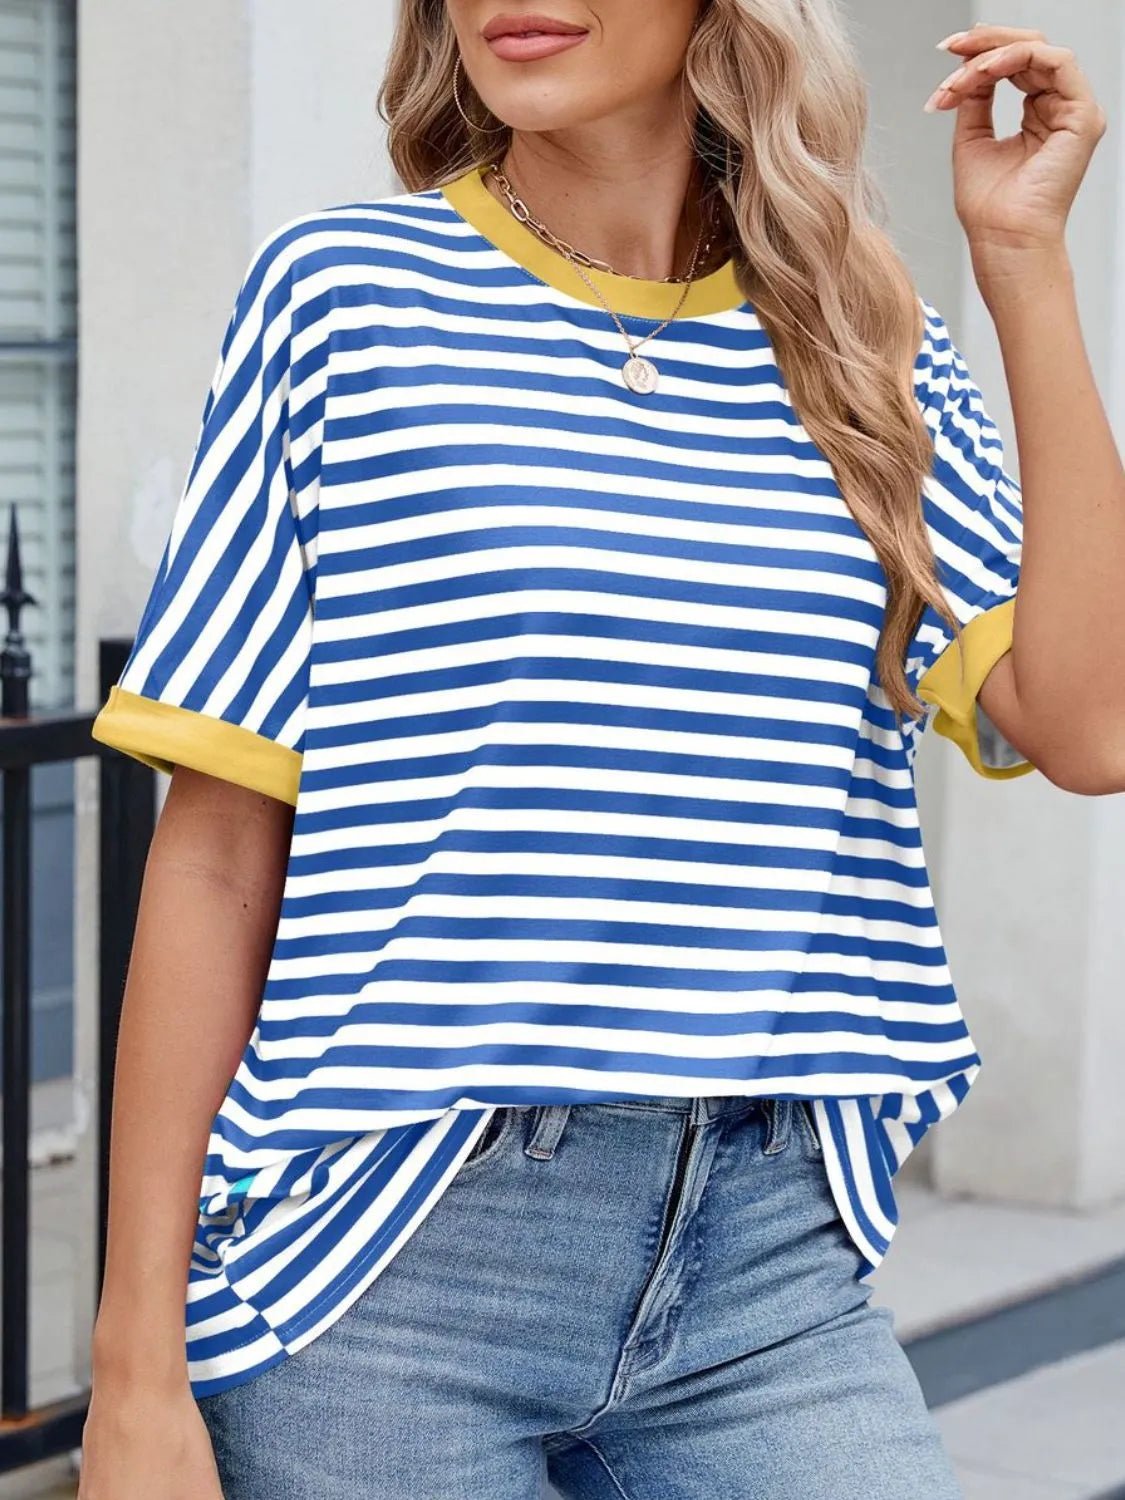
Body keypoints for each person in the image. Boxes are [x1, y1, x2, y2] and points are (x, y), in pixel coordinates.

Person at [78, 3, 1120, 1497]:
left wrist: (1018, 262)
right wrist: (135, 1373)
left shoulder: (852, 331)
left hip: (769, 1279)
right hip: (385, 1268)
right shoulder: (346, 303)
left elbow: (1089, 725)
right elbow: (218, 854)